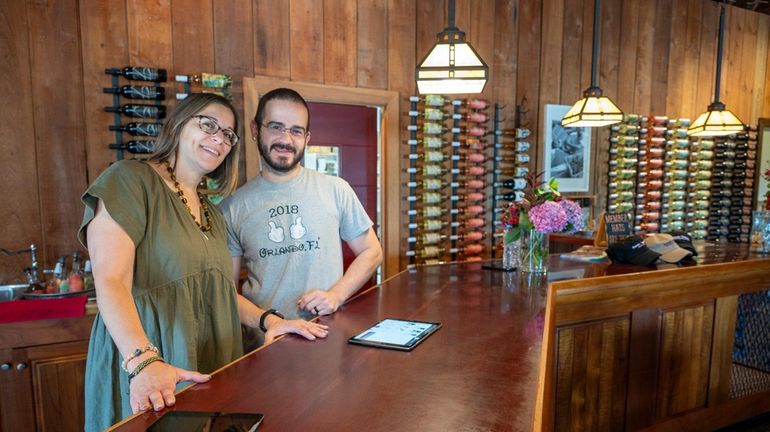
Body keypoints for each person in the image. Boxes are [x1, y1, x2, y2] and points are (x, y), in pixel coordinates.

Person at [79, 93, 328, 432]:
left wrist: (270, 321)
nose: (219, 139)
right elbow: (110, 280)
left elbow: (221, 292)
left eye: (228, 134)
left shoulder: (212, 212)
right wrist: (143, 362)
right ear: (179, 124)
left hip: (210, 356)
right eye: (208, 125)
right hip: (151, 359)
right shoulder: (130, 180)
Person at [221, 88, 383, 347]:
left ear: (306, 138)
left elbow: (372, 252)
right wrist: (268, 321)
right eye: (276, 127)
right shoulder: (232, 208)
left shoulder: (336, 189)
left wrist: (336, 295)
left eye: (296, 131)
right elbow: (226, 292)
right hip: (266, 346)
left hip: (327, 337)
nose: (286, 139)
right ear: (255, 130)